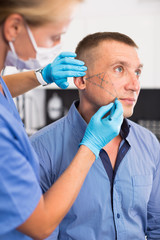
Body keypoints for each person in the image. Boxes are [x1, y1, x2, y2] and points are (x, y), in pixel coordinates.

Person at [0, 1, 124, 239]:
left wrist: (41, 75)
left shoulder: (147, 144)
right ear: (14, 27)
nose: (133, 85)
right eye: (54, 36)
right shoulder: (40, 144)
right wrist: (91, 146)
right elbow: (40, 224)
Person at [31, 32, 160, 240]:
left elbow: (157, 227)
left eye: (137, 72)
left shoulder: (149, 143)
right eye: (119, 69)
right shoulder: (39, 150)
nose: (135, 86)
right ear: (82, 80)